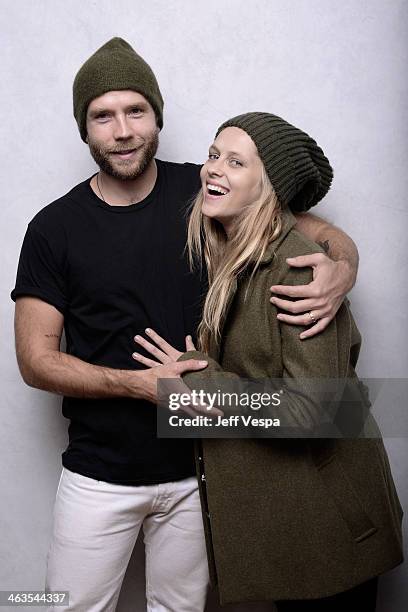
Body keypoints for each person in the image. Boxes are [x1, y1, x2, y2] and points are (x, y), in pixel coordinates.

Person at [11, 38, 360, 612]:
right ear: (85, 130)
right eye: (103, 116)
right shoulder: (54, 228)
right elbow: (35, 359)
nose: (122, 130)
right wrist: (135, 384)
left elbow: (304, 227)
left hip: (205, 468)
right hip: (100, 473)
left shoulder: (202, 193)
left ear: (157, 117)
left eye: (136, 111)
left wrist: (341, 270)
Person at [133, 112, 404, 611]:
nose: (214, 168)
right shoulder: (232, 250)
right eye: (214, 154)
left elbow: (316, 412)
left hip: (332, 526)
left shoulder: (296, 270)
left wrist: (203, 380)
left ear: (269, 186)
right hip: (295, 522)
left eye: (236, 162)